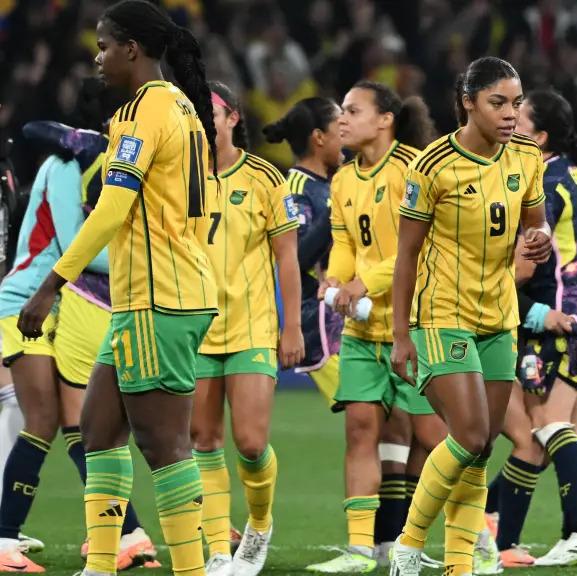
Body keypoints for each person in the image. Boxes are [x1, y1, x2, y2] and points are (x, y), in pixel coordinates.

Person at [18, 2, 219, 574]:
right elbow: (196, 215)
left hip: (158, 301)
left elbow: (111, 208)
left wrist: (50, 286)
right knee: (98, 429)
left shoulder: (141, 112)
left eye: (104, 46)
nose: (97, 57)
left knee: (163, 446)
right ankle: (100, 566)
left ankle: (191, 569)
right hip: (158, 296)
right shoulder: (181, 107)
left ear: (133, 49)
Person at [387, 56, 551, 576]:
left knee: (478, 452)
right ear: (468, 103)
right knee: (472, 434)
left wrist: (539, 241)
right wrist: (400, 336)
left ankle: (460, 564)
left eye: (515, 104)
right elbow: (407, 255)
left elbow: (536, 224)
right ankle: (408, 547)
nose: (509, 114)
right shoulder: (432, 166)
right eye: (497, 103)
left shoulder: (527, 156)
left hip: (498, 316)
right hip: (441, 314)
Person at [306, 80, 447, 574]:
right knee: (360, 429)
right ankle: (361, 549)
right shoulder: (343, 180)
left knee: (436, 437)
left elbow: (418, 249)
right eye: (341, 111)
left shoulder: (413, 169)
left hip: (414, 326)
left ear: (385, 119)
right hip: (363, 331)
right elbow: (345, 241)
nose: (341, 119)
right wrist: (339, 278)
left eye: (353, 110)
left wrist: (363, 283)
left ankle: (473, 535)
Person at [486, 88, 577, 568]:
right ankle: (561, 527)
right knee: (571, 428)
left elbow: (522, 265)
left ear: (538, 137)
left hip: (565, 318)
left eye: (518, 120)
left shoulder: (544, 183)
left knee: (546, 425)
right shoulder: (568, 173)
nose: (509, 123)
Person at [190, 80, 304, 576]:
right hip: (193, 328)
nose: (200, 120)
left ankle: (258, 525)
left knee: (252, 443)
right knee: (203, 439)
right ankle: (218, 548)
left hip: (252, 326)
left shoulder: (264, 177)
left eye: (209, 111)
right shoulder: (178, 175)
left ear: (233, 117)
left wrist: (292, 326)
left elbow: (287, 259)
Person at [267, 97, 345, 407]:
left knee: (390, 424)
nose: (347, 133)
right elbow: (295, 258)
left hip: (344, 314)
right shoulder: (296, 187)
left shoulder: (332, 184)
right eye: (340, 126)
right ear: (319, 137)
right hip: (319, 321)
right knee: (375, 419)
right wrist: (332, 216)